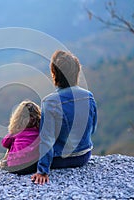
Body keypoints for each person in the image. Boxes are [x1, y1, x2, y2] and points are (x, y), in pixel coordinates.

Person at [31, 50, 97, 185]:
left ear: (54, 74)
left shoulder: (50, 102)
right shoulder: (89, 96)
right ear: (77, 72)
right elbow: (93, 128)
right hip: (84, 156)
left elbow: (47, 139)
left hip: (59, 159)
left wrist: (42, 171)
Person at [0, 100, 41, 175]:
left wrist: (11, 133)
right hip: (33, 165)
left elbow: (4, 143)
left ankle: (3, 161)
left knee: (11, 143)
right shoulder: (39, 131)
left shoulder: (17, 131)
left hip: (14, 167)